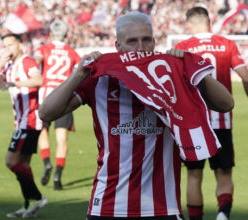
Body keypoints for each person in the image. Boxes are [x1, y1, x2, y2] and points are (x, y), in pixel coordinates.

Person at [38, 11, 234, 220]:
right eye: (132, 41)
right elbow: (46, 112)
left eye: (146, 40)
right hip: (108, 205)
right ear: (118, 47)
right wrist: (78, 74)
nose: (140, 48)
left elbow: (226, 103)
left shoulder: (171, 73)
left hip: (163, 206)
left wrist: (191, 68)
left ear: (154, 42)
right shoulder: (100, 79)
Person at [175, 6, 248, 220]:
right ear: (209, 21)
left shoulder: (183, 47)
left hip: (193, 123)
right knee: (224, 173)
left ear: (190, 24)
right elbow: (244, 75)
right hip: (221, 121)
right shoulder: (227, 44)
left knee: (193, 175)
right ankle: (222, 216)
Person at [0, 33, 47, 218]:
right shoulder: (9, 65)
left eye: (11, 45)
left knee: (10, 161)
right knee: (23, 166)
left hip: (29, 120)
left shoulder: (27, 61)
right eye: (4, 46)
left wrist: (15, 82)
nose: (8, 49)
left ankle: (38, 197)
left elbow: (38, 80)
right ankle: (28, 206)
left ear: (20, 45)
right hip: (21, 120)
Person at [34, 19, 81, 190]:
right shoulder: (71, 52)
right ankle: (58, 177)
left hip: (45, 97)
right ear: (66, 34)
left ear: (51, 34)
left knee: (42, 131)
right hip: (65, 98)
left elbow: (36, 61)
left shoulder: (43, 49)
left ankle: (47, 163)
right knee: (62, 138)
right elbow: (81, 69)